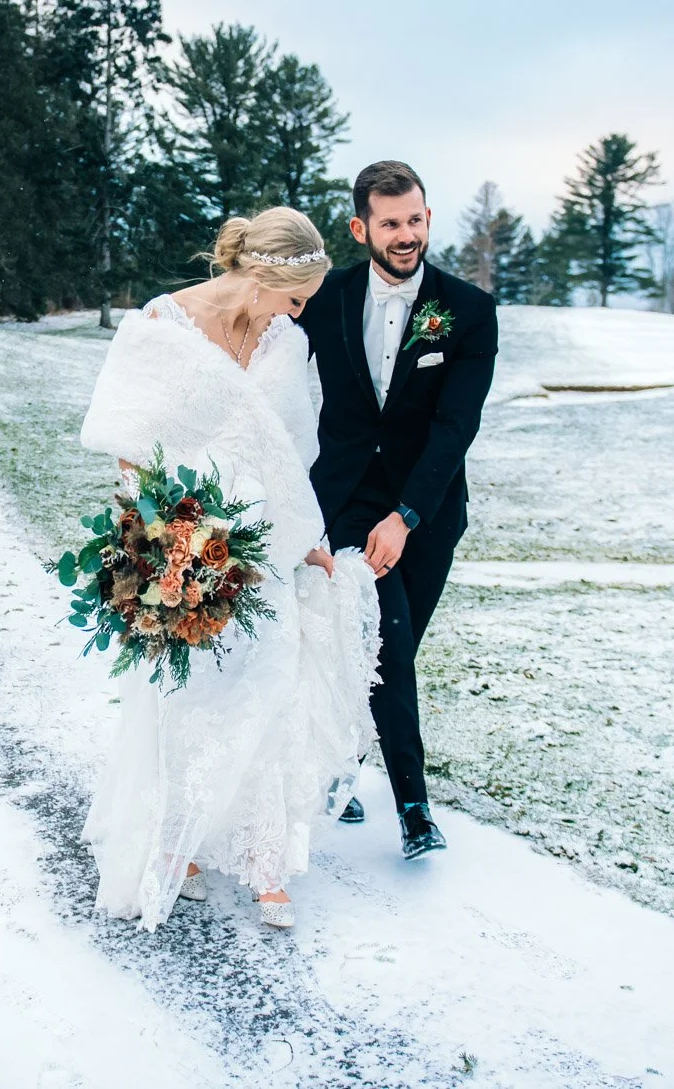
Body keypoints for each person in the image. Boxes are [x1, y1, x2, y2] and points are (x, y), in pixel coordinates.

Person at [79, 207, 382, 930]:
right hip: (184, 537)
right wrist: (161, 539)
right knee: (188, 698)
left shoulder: (286, 338)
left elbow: (290, 448)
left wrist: (305, 534)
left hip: (266, 547)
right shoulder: (161, 325)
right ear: (261, 275)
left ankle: (265, 862)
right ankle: (179, 846)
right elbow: (130, 443)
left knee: (271, 692)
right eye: (294, 295)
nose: (299, 310)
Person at [297, 160, 498, 860]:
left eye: (416, 219)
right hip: (349, 501)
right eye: (391, 223)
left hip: (429, 510)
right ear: (361, 228)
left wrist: (408, 516)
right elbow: (256, 321)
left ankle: (341, 773)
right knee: (382, 634)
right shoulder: (326, 297)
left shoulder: (468, 310)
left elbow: (455, 427)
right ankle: (414, 808)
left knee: (391, 651)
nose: (407, 234)